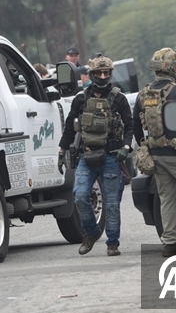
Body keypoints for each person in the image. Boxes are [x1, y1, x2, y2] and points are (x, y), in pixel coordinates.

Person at [57, 55, 133, 256]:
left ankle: (112, 243)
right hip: (87, 157)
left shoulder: (119, 98)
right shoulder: (81, 99)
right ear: (91, 75)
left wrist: (125, 147)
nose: (102, 76)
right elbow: (70, 127)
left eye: (106, 72)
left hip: (111, 157)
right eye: (99, 73)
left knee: (112, 203)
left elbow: (130, 125)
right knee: (80, 196)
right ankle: (90, 233)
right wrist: (62, 151)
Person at [134, 48, 176, 258]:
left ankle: (169, 243)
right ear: (173, 68)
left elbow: (137, 127)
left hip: (156, 155)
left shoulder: (143, 95)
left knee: (166, 197)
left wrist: (147, 147)